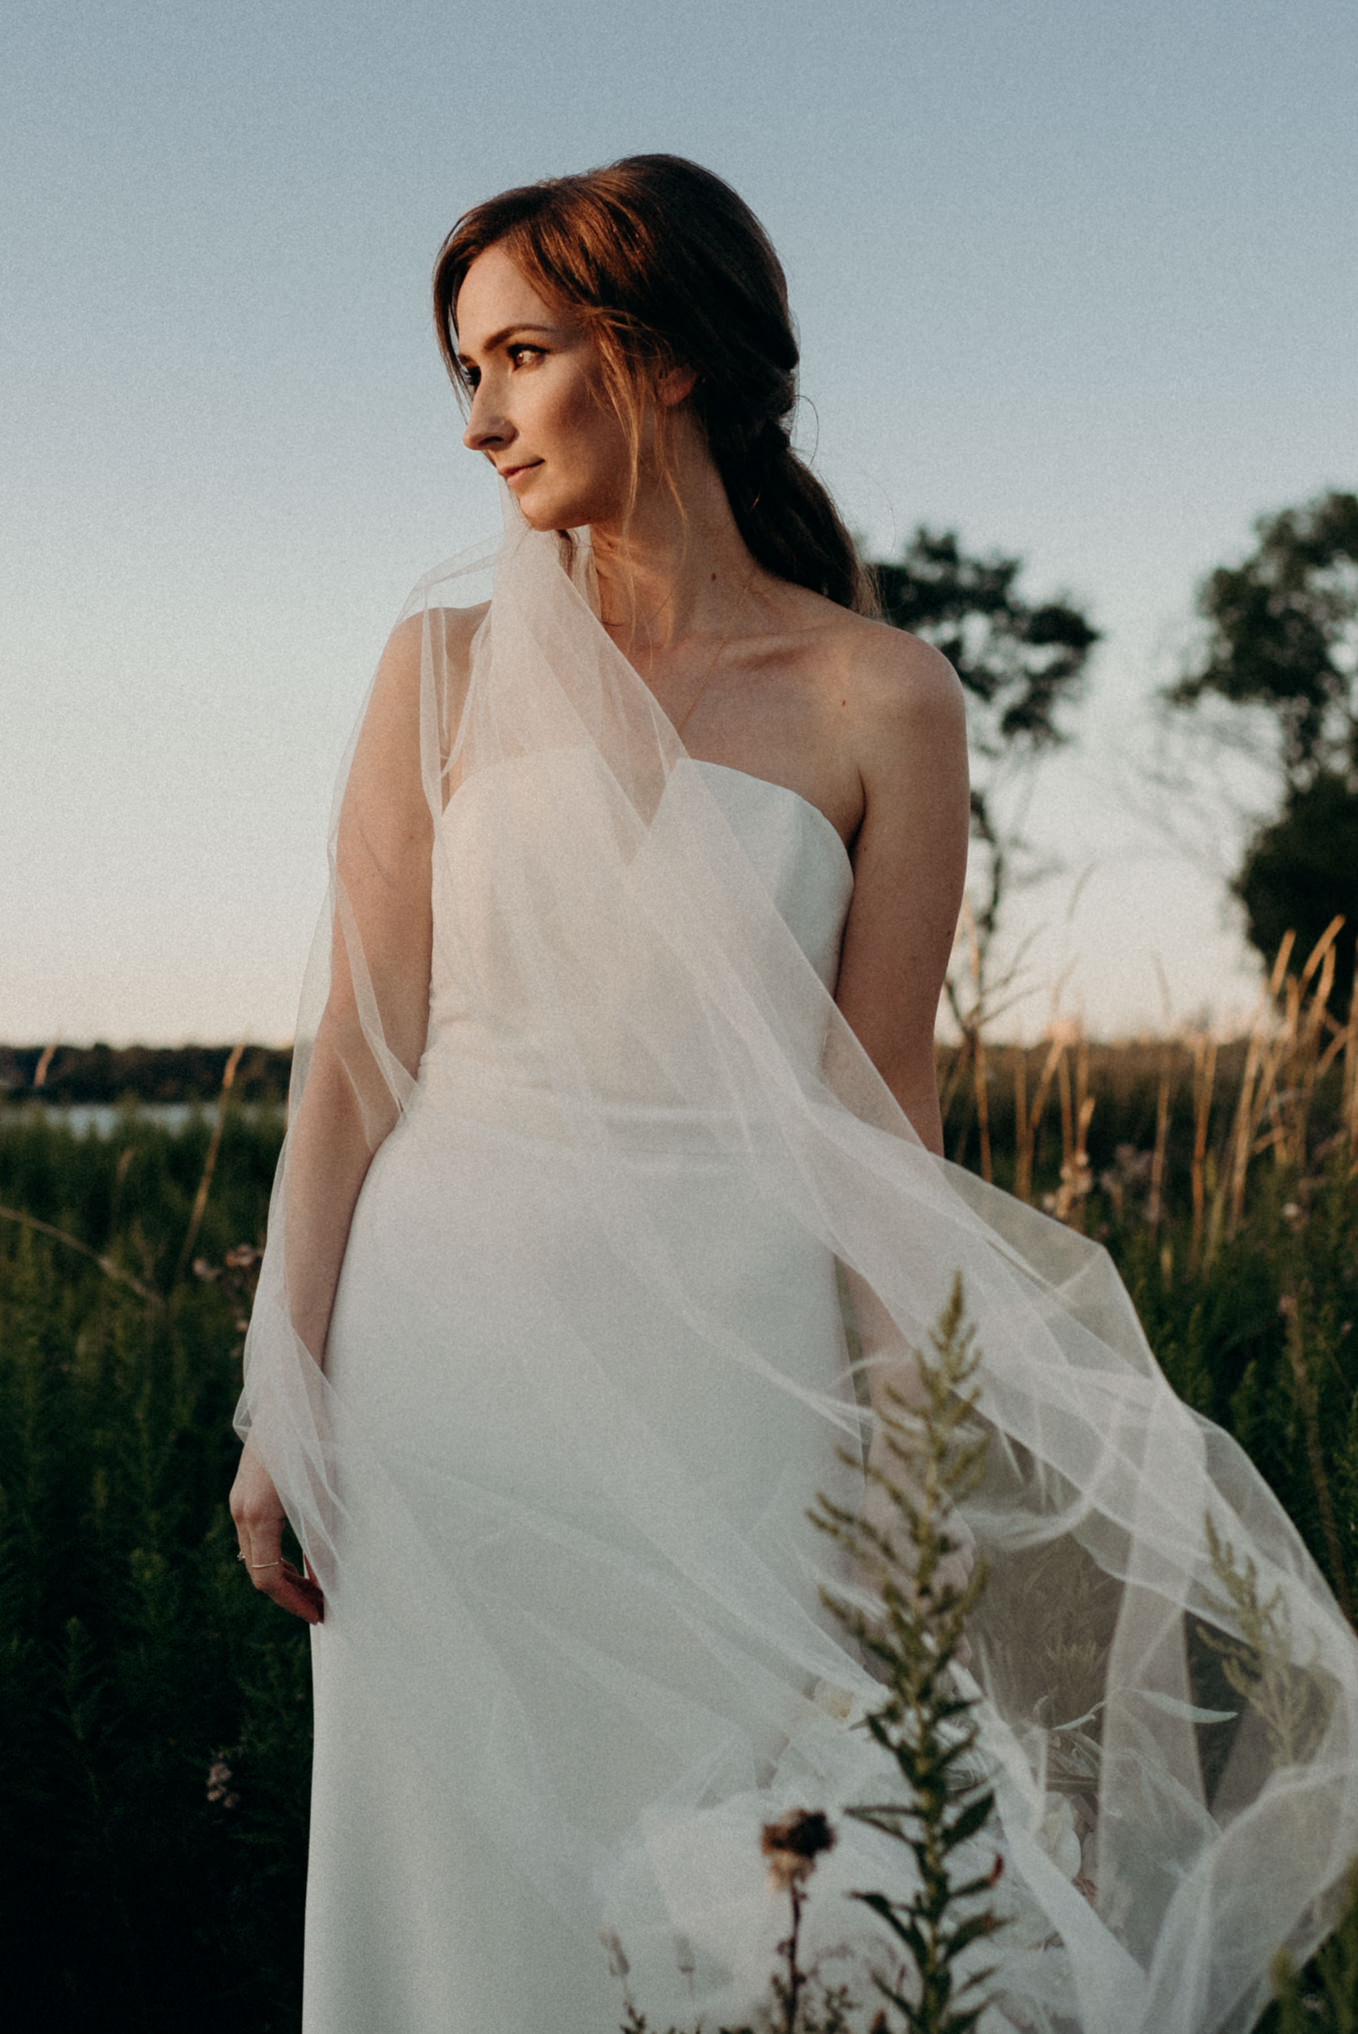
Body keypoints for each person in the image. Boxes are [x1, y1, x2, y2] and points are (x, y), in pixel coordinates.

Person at [231, 157, 1358, 2034]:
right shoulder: (435, 667)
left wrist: (916, 1475)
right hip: (447, 1377)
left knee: (770, 1859)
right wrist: (288, 1386)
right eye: (465, 371)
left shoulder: (881, 699)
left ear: (659, 356)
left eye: (519, 356)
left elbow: (878, 1117)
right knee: (454, 1892)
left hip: (741, 1371)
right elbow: (354, 1058)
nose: (481, 420)